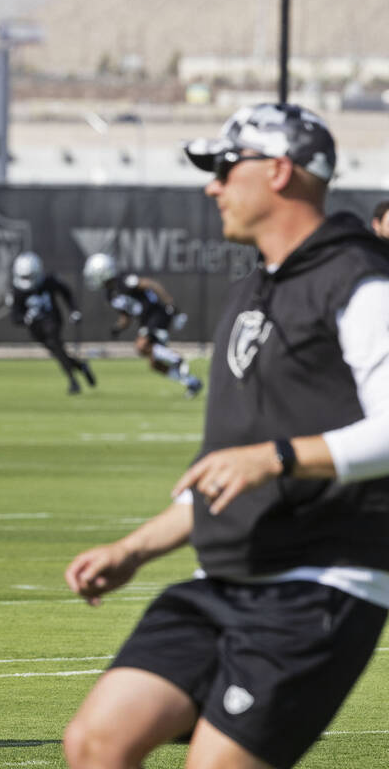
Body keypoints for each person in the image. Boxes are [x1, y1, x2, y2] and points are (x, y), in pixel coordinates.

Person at [63, 102, 389, 769]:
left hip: (319, 587)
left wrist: (276, 458)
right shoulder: (249, 294)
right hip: (223, 581)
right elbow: (226, 470)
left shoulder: (361, 282)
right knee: (96, 741)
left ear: (279, 172)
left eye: (223, 168)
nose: (212, 186)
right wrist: (133, 550)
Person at [82, 251, 202, 398]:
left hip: (157, 314)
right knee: (155, 364)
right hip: (146, 321)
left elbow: (152, 284)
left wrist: (170, 304)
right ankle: (192, 382)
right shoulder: (110, 294)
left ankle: (176, 359)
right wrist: (118, 327)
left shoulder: (124, 281)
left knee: (141, 346)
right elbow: (126, 316)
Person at [8, 251, 95, 394]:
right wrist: (25, 318)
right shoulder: (17, 292)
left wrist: (74, 310)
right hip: (35, 329)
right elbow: (15, 317)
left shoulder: (48, 282)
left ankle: (73, 382)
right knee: (58, 352)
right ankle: (81, 367)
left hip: (52, 320)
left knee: (56, 346)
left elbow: (66, 292)